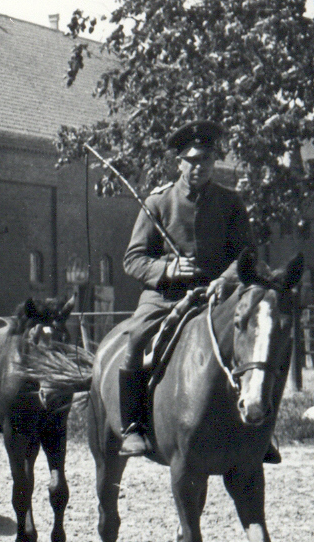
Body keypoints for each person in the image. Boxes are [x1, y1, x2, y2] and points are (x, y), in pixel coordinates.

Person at [117, 120, 277, 463]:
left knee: (258, 339)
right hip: (165, 296)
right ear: (179, 162)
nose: (198, 167)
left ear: (213, 162)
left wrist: (227, 279)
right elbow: (132, 259)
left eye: (205, 159)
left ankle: (262, 430)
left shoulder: (230, 202)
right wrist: (167, 269)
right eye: (191, 160)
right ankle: (133, 426)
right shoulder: (158, 202)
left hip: (217, 295)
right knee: (135, 341)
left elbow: (247, 257)